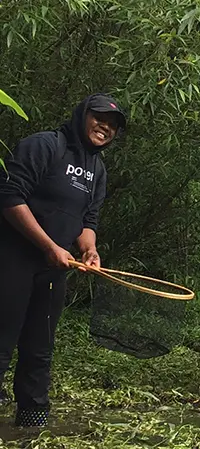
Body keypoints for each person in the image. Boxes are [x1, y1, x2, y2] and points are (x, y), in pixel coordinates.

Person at [0, 93, 126, 426]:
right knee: (2, 339)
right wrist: (48, 245)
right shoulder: (45, 145)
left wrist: (89, 249)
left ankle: (32, 421)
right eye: (100, 118)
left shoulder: (97, 169)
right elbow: (9, 197)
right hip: (13, 258)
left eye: (113, 125)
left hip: (55, 268)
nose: (105, 127)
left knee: (40, 348)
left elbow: (89, 220)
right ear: (82, 115)